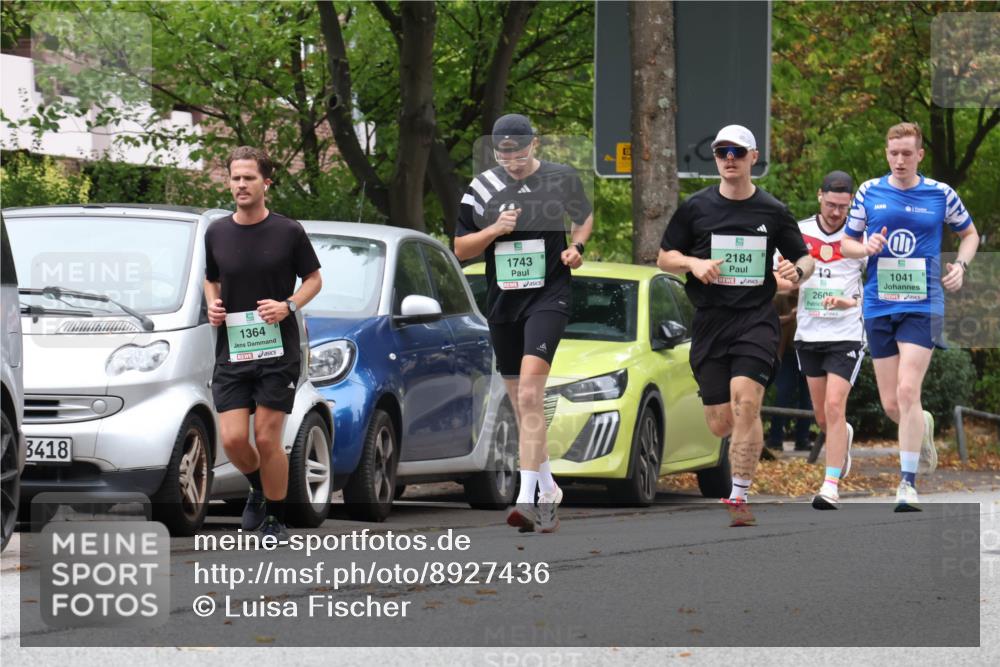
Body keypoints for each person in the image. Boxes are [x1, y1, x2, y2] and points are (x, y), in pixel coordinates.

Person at [657, 124, 814, 527]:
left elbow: (806, 259)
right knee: (721, 421)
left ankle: (739, 495)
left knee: (748, 403)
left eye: (737, 152)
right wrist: (694, 263)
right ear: (715, 158)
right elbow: (664, 257)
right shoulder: (696, 208)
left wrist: (795, 271)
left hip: (756, 320)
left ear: (753, 158)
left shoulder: (773, 211)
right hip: (710, 323)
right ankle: (741, 450)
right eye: (722, 151)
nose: (730, 158)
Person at [454, 114, 593, 533]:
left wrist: (577, 246)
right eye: (503, 153)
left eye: (518, 151)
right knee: (522, 405)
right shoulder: (481, 189)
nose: (511, 161)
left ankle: (525, 497)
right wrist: (495, 229)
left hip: (549, 296)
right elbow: (459, 249)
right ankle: (549, 487)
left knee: (531, 392)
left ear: (535, 145)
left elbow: (583, 216)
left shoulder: (561, 178)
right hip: (504, 303)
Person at [841, 122, 979, 512]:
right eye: (893, 153)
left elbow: (969, 234)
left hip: (923, 302)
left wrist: (962, 267)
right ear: (886, 154)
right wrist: (864, 246)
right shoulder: (870, 191)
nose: (899, 160)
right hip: (880, 303)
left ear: (919, 154)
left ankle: (907, 483)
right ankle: (923, 424)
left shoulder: (940, 194)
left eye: (907, 153)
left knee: (907, 391)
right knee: (892, 404)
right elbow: (847, 244)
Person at [205, 146, 323, 539]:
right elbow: (211, 278)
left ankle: (275, 516)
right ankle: (258, 487)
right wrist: (212, 306)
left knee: (267, 437)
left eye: (249, 178)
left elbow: (314, 280)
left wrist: (287, 305)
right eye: (235, 177)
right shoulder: (217, 231)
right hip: (233, 347)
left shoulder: (288, 231)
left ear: (265, 183)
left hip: (277, 350)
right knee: (235, 439)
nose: (241, 184)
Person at [782, 170, 867, 510]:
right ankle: (841, 436)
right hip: (810, 332)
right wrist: (787, 281)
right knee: (823, 417)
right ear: (820, 196)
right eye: (831, 204)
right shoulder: (798, 233)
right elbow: (782, 276)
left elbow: (877, 287)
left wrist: (852, 303)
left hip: (847, 332)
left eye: (843, 207)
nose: (836, 213)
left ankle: (829, 486)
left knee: (834, 406)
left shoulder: (860, 236)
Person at [766, 286, 813, 452]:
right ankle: (775, 438)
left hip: (809, 352)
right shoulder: (780, 298)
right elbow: (769, 321)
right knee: (783, 393)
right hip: (788, 353)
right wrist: (790, 317)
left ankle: (803, 439)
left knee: (808, 397)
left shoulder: (812, 296)